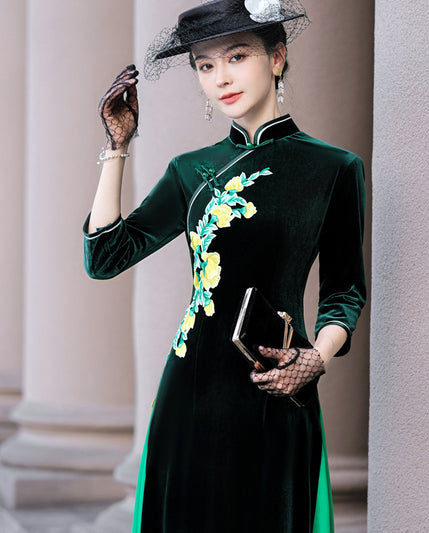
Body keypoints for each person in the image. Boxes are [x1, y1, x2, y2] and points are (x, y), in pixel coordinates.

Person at [83, 1, 366, 531]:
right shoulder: (191, 171)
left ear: (277, 57)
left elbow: (345, 291)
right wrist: (116, 147)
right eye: (205, 66)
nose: (221, 78)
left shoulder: (335, 170)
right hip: (190, 390)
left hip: (276, 384)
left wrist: (315, 360)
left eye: (236, 56)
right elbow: (105, 257)